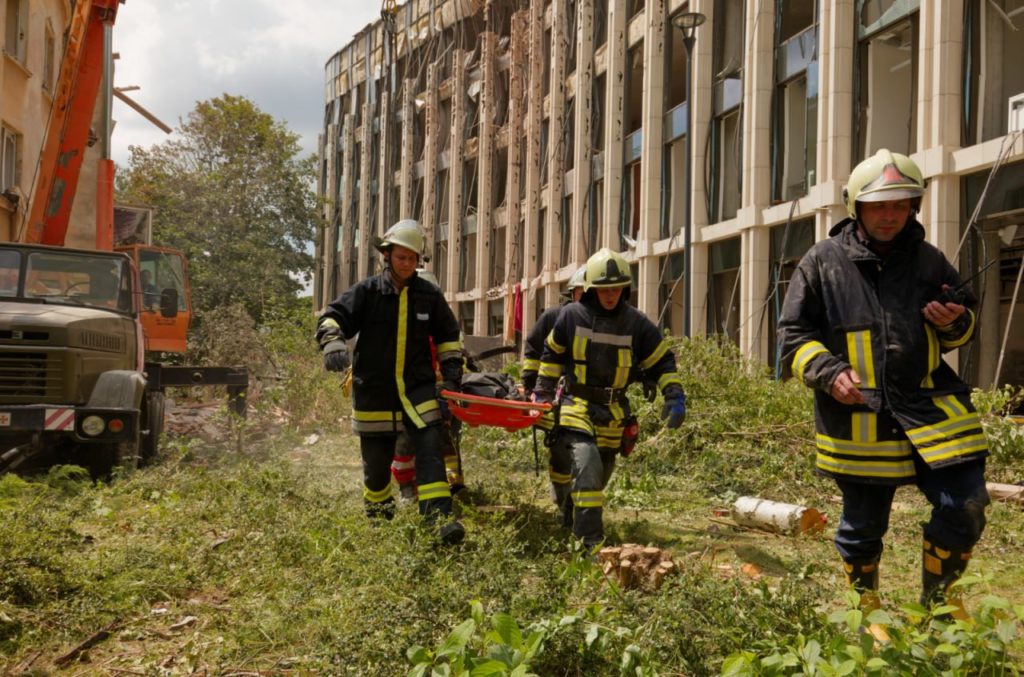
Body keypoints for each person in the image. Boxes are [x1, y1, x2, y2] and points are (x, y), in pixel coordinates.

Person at [778, 149, 990, 628]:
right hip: (860, 416)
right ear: (856, 207)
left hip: (931, 409)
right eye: (879, 205)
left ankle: (941, 603)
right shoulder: (821, 262)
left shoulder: (931, 260)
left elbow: (964, 327)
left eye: (901, 204)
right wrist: (829, 373)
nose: (891, 215)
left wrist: (954, 321)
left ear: (914, 205)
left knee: (968, 503)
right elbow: (792, 337)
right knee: (863, 527)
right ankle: (865, 608)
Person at [316, 220, 467, 545]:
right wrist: (332, 342)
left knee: (430, 451)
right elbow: (332, 316)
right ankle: (381, 525)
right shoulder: (367, 292)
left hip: (418, 392)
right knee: (377, 470)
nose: (407, 264)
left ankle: (440, 521)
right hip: (375, 395)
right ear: (387, 255)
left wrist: (452, 376)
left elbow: (448, 336)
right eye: (401, 258)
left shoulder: (428, 296)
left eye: (413, 259)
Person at [533, 248, 686, 552]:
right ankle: (589, 544)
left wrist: (674, 394)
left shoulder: (637, 324)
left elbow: (662, 362)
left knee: (599, 477)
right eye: (604, 288)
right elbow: (551, 356)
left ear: (625, 288)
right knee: (587, 468)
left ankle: (570, 514)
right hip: (576, 405)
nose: (610, 295)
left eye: (616, 288)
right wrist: (542, 392)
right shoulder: (571, 316)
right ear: (591, 288)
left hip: (614, 411)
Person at [390, 268, 467, 502]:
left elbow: (454, 353)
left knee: (447, 440)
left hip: (441, 391)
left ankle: (453, 485)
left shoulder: (443, 319)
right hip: (405, 393)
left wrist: (451, 386)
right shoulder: (396, 321)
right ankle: (407, 490)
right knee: (404, 444)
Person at [522, 265, 585, 527]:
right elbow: (533, 351)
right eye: (586, 291)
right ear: (574, 293)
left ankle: (576, 506)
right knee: (560, 451)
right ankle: (563, 503)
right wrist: (529, 386)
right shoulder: (553, 318)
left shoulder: (604, 323)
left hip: (588, 402)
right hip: (554, 399)